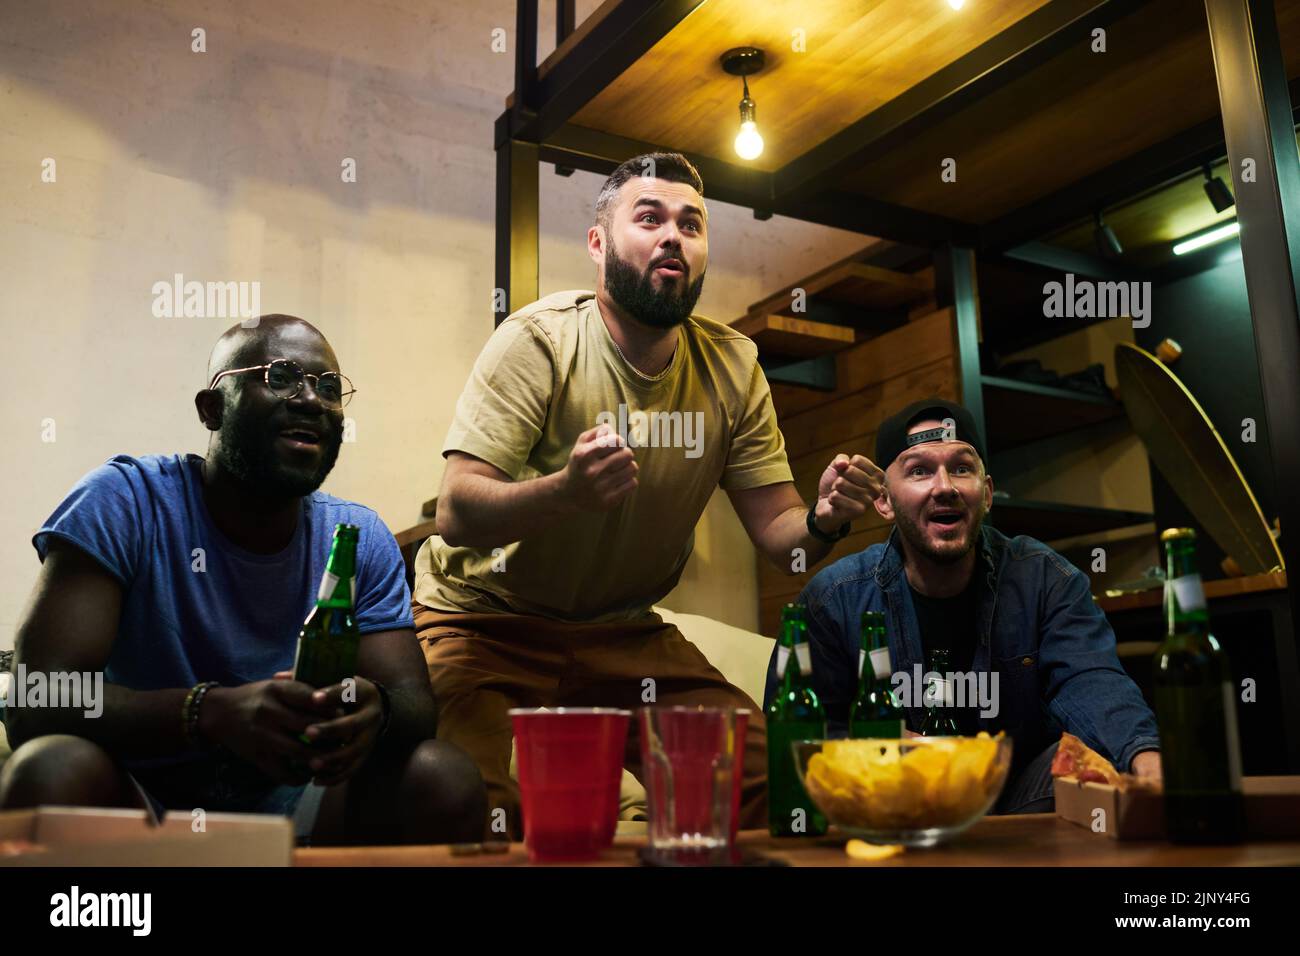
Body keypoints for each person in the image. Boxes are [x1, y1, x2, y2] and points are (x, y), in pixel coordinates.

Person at [414, 152, 884, 836]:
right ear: (598, 244)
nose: (674, 235)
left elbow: (782, 531)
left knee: (769, 777)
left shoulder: (733, 365)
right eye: (650, 217)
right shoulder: (537, 340)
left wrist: (824, 517)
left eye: (691, 224)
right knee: (466, 802)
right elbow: (457, 511)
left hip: (621, 630)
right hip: (483, 620)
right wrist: (567, 493)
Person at [0, 316, 487, 844]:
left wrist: (377, 710)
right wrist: (207, 712)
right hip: (138, 797)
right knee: (50, 770)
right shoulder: (124, 502)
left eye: (328, 388)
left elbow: (413, 703)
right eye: (280, 376)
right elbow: (37, 695)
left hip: (300, 802)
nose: (310, 400)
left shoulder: (357, 536)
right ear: (212, 409)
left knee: (442, 777)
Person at [763, 397, 1161, 813]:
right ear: (883, 501)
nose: (945, 487)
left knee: (1094, 764)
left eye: (961, 468)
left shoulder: (1045, 580)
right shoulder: (834, 599)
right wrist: (880, 743)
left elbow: (1091, 680)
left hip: (1013, 803)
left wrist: (1145, 757)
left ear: (986, 494)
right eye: (919, 470)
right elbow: (794, 735)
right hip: (890, 805)